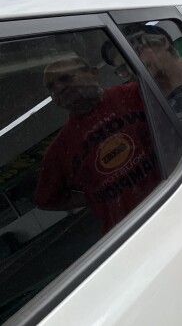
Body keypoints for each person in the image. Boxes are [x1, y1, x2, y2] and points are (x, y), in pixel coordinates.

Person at [34, 55, 161, 232]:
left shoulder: (133, 94)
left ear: (93, 73)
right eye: (51, 87)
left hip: (171, 197)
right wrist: (93, 197)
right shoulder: (60, 148)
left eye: (65, 78)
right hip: (126, 232)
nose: (59, 88)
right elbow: (46, 199)